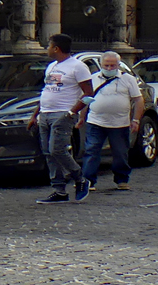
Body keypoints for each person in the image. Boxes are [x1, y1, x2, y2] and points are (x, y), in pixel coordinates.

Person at [29, 33, 93, 203]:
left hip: (63, 113)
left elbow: (88, 94)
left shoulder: (77, 67)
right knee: (48, 152)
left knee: (58, 149)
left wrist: (72, 112)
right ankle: (59, 190)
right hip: (46, 113)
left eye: (48, 46)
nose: (47, 49)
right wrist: (35, 114)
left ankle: (80, 178)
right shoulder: (51, 67)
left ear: (56, 48)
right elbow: (47, 91)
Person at [79, 51, 144, 192]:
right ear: (101, 65)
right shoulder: (93, 78)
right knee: (91, 151)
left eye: (112, 65)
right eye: (106, 65)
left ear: (118, 65)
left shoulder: (128, 79)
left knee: (120, 153)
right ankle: (88, 180)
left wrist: (136, 120)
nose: (109, 68)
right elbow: (86, 99)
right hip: (95, 122)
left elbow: (138, 100)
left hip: (120, 124)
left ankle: (122, 180)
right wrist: (81, 117)